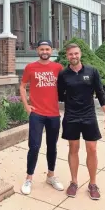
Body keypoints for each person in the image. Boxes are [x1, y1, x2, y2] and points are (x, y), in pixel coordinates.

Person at [57, 43, 105, 200]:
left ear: (80, 54)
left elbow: (100, 94)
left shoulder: (92, 71)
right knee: (73, 148)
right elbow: (59, 95)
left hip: (89, 116)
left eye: (76, 53)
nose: (73, 56)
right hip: (71, 116)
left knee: (92, 149)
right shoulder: (63, 75)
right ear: (67, 56)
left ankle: (92, 184)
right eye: (70, 54)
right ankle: (73, 182)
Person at [19, 39, 64, 195]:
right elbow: (22, 86)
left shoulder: (58, 67)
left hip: (53, 114)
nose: (45, 52)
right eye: (42, 49)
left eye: (47, 49)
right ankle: (29, 178)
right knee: (35, 146)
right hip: (36, 113)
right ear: (37, 50)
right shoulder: (30, 67)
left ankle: (50, 176)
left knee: (52, 147)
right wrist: (26, 106)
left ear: (51, 51)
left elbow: (67, 86)